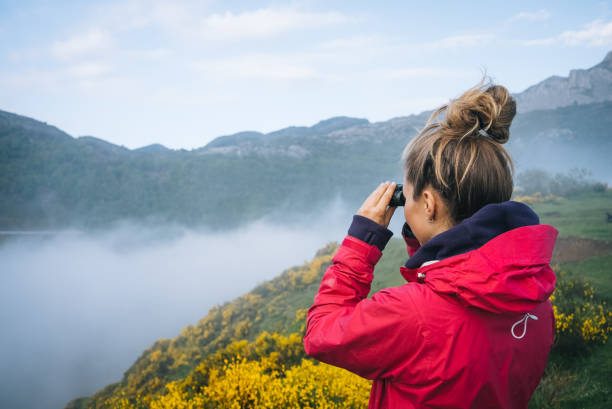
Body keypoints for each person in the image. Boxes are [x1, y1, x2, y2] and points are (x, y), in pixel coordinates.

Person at [302, 80, 558, 409]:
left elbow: (320, 335)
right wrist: (425, 244)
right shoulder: (536, 300)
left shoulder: (410, 315)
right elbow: (458, 282)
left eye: (406, 196)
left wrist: (361, 241)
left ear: (428, 203)